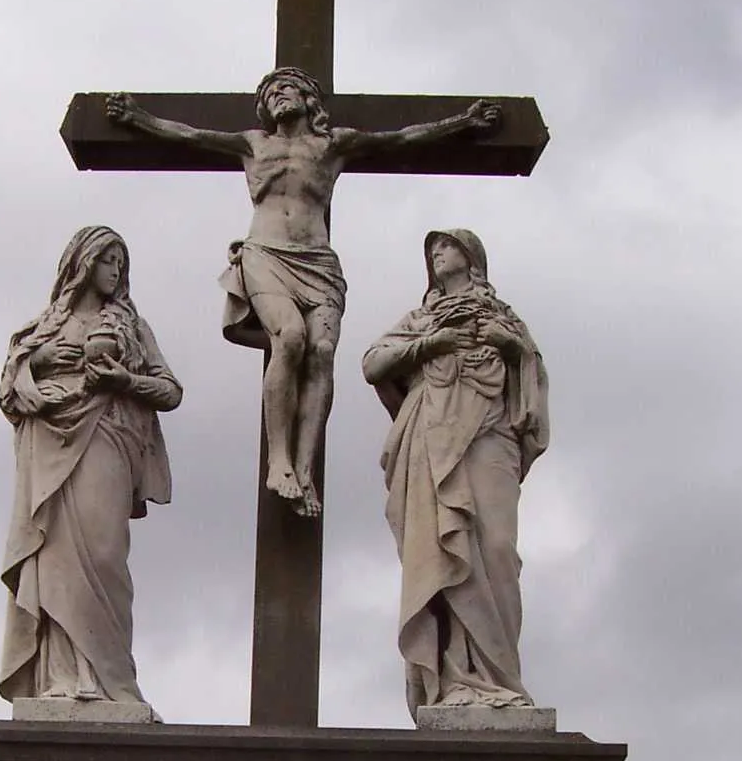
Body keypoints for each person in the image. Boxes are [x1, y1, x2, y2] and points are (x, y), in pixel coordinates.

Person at [108, 74, 498, 517]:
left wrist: (463, 123)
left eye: (284, 90)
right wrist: (138, 119)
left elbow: (403, 138)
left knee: (322, 350)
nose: (275, 98)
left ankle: (305, 470)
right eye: (269, 94)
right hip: (266, 254)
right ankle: (280, 461)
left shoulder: (332, 146)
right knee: (289, 337)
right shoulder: (252, 144)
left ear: (308, 100)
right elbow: (190, 135)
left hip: (317, 261)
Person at [362, 229, 548, 717]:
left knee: (498, 549)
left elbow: (532, 380)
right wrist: (430, 344)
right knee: (446, 552)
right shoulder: (421, 319)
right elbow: (373, 362)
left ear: (470, 257)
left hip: (490, 436)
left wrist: (513, 348)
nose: (436, 254)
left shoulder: (504, 316)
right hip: (434, 438)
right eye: (432, 250)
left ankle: (500, 678)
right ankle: (455, 681)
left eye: (445, 246)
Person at [0, 226, 181, 707]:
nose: (116, 270)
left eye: (121, 261)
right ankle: (61, 678)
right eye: (108, 259)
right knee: (54, 555)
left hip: (107, 439)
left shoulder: (132, 329)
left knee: (103, 556)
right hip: (48, 449)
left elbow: (171, 391)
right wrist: (37, 360)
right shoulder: (41, 330)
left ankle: (107, 678)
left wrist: (124, 380)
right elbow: (8, 391)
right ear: (82, 263)